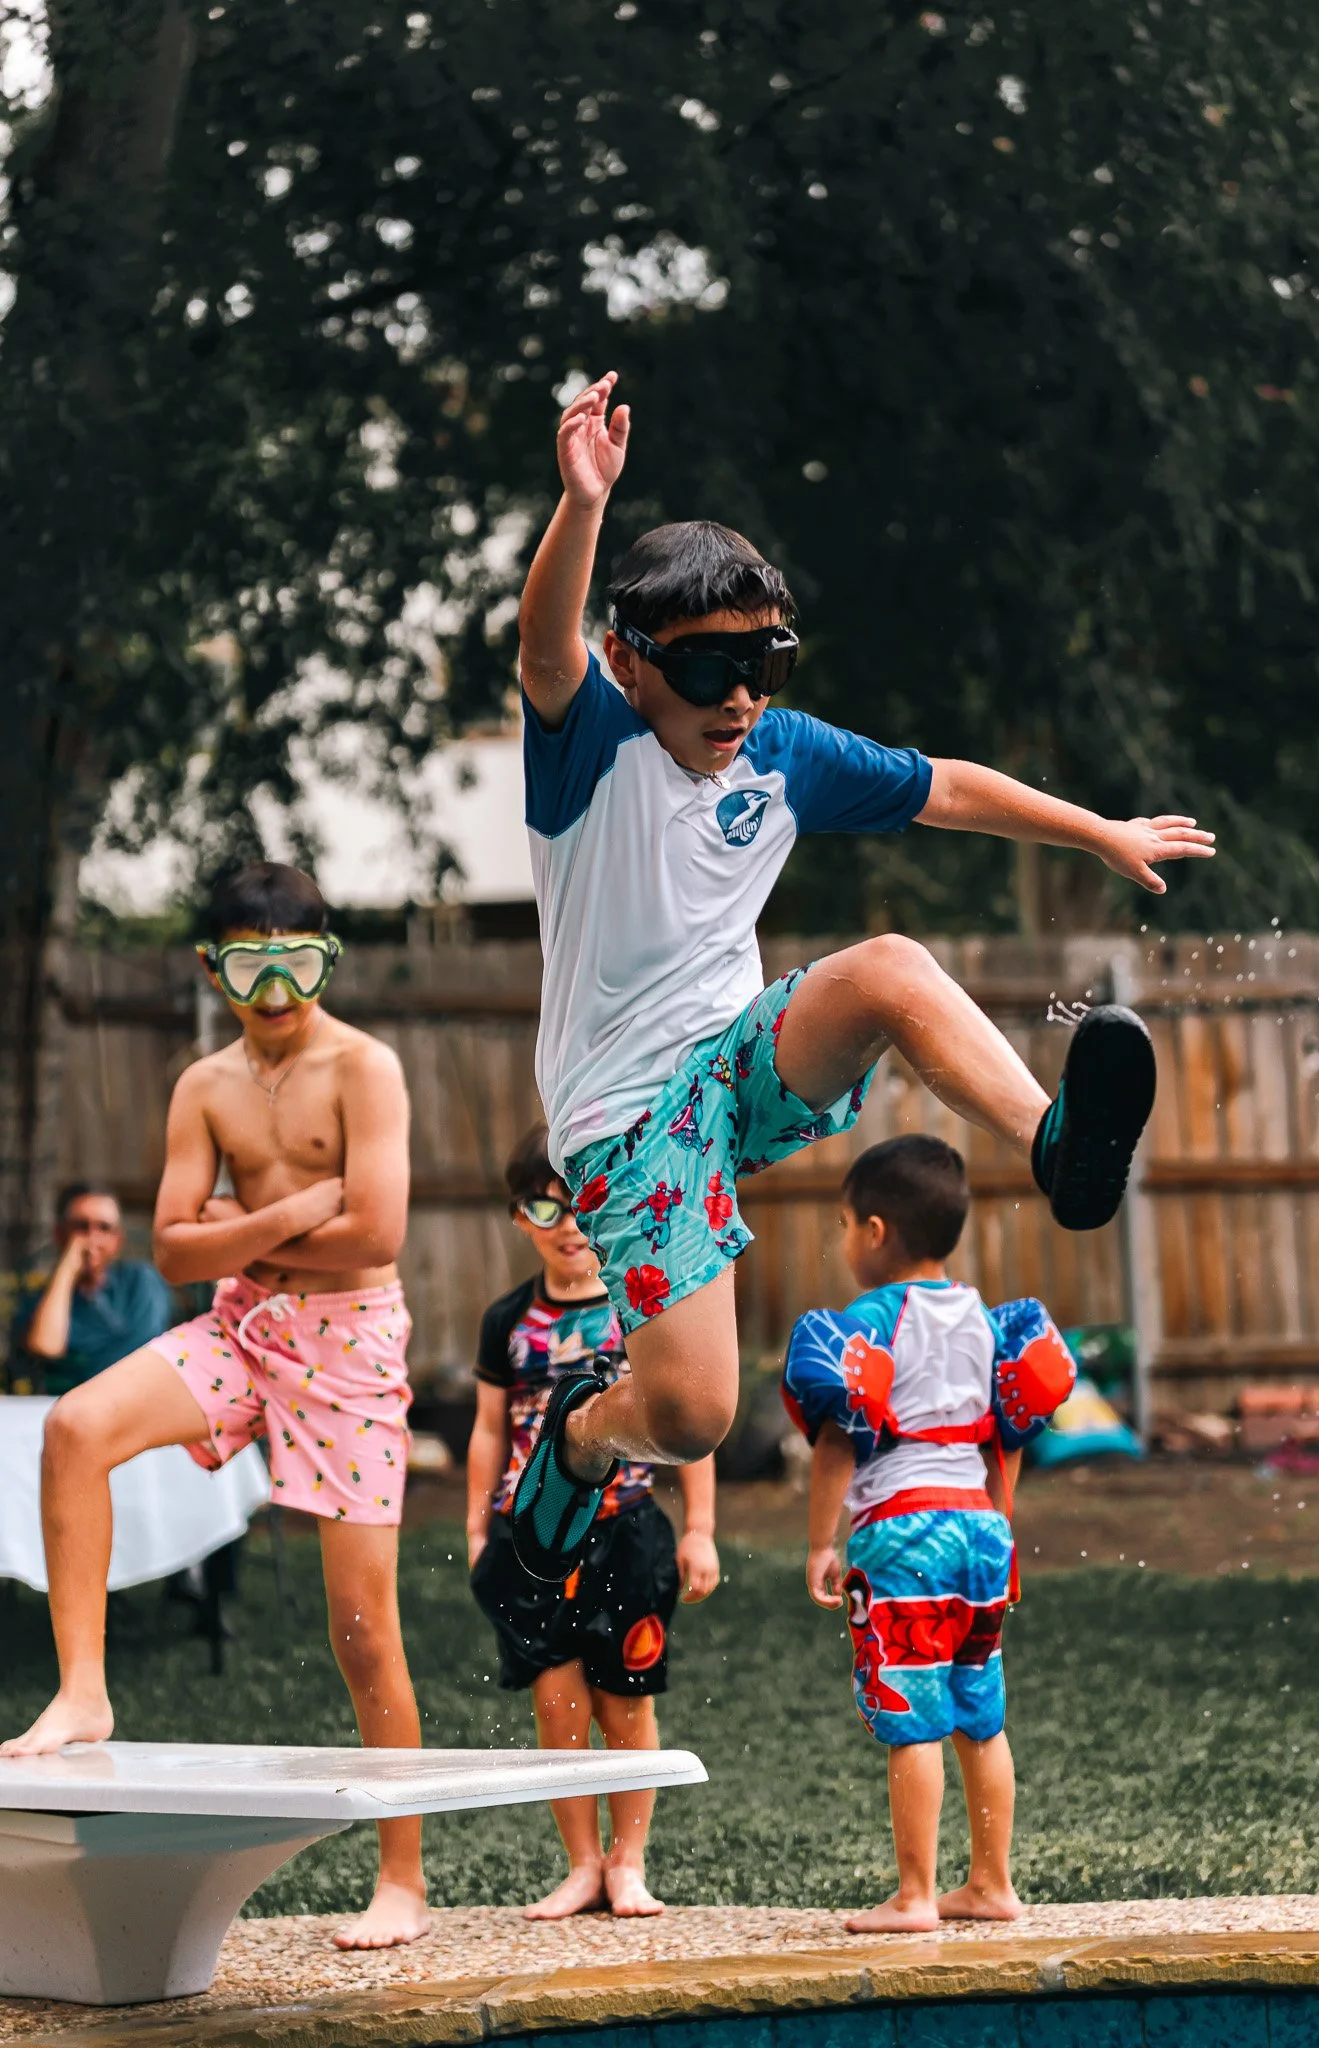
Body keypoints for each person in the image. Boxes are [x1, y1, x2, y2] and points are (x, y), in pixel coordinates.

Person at [508, 368, 1215, 1585]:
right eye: (704, 673)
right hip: (624, 1121)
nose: (737, 699)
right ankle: (574, 1444)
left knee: (888, 964)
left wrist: (1100, 829)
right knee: (694, 1417)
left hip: (736, 1062)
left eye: (762, 667)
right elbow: (541, 642)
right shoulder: (590, 746)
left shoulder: (780, 753)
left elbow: (945, 785)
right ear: (631, 664)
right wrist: (580, 508)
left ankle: (1057, 1147)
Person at [0, 861, 429, 1953]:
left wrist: (238, 1222)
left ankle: (403, 1876)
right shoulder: (204, 1083)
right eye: (249, 965)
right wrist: (295, 1209)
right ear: (213, 966)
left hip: (349, 1341)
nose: (274, 990)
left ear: (326, 958)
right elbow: (171, 1244)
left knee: (363, 1627)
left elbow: (376, 1235)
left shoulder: (365, 1068)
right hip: (244, 1323)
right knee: (72, 1426)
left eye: (296, 963)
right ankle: (86, 1689)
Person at [783, 1135, 1075, 1931]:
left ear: (874, 1232)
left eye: (843, 1224)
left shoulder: (868, 1322)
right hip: (980, 1534)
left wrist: (819, 1544)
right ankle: (991, 1884)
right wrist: (1001, 1533)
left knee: (910, 1716)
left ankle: (914, 1895)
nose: (843, 1240)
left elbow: (838, 1440)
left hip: (903, 1534)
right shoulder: (983, 1318)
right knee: (979, 1713)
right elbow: (999, 1442)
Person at [468, 1124, 720, 1919]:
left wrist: (700, 1526)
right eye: (545, 1207)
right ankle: (580, 1864)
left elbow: (687, 1421)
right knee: (557, 1701)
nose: (568, 1223)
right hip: (535, 1537)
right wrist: (479, 1526)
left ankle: (628, 1861)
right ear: (519, 1219)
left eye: (578, 1202)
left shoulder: (636, 1312)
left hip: (628, 1526)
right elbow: (488, 1428)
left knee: (627, 1700)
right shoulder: (506, 1320)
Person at [12, 1185, 173, 1396]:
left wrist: (81, 1361)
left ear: (117, 1240)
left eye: (104, 1228)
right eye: (81, 1227)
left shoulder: (140, 1279)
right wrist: (67, 1268)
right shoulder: (40, 1300)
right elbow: (45, 1347)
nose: (92, 1238)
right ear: (59, 1235)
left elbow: (145, 1345)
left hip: (135, 1400)